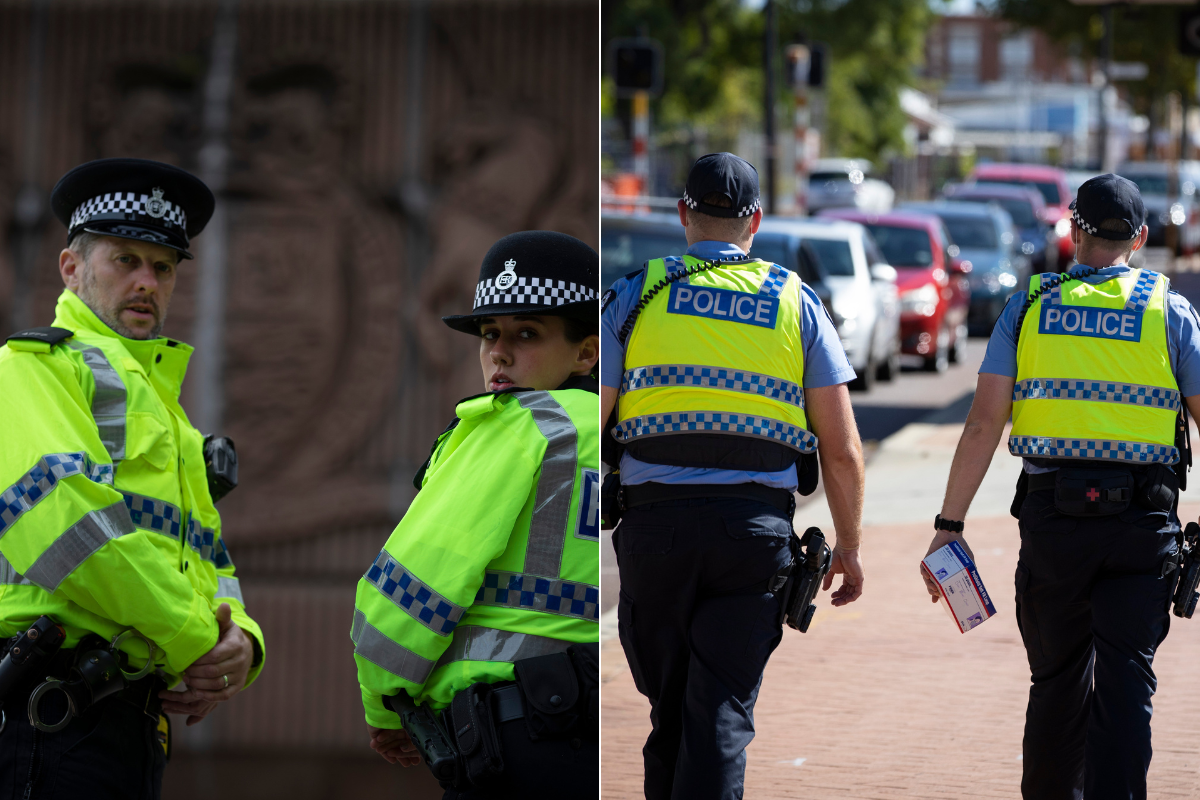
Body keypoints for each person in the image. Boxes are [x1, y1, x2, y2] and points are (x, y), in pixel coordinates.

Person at [921, 173, 1200, 799]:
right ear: (1142, 238)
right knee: (1128, 683)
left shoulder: (1028, 307)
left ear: (1073, 231)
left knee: (1055, 684)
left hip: (1054, 528)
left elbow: (983, 423)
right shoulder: (1170, 312)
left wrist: (950, 526)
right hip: (1142, 527)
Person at [600, 152, 867, 800]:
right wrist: (851, 548)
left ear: (684, 214)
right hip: (753, 537)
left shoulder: (635, 293)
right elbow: (841, 449)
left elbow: (588, 425)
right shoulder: (794, 301)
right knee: (718, 714)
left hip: (654, 533)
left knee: (670, 715)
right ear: (758, 221)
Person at [0, 158, 265, 799]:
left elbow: (207, 561)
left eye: (164, 267)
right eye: (126, 261)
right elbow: (67, 522)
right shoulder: (31, 364)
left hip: (129, 717)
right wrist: (197, 640)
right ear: (73, 268)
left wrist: (243, 647)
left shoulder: (174, 422)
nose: (148, 282)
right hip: (47, 709)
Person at [352, 230, 600, 799]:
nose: (499, 354)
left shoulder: (519, 425)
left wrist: (388, 710)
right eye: (490, 334)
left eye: (527, 334)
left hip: (514, 744)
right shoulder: (607, 430)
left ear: (586, 351)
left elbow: (401, 598)